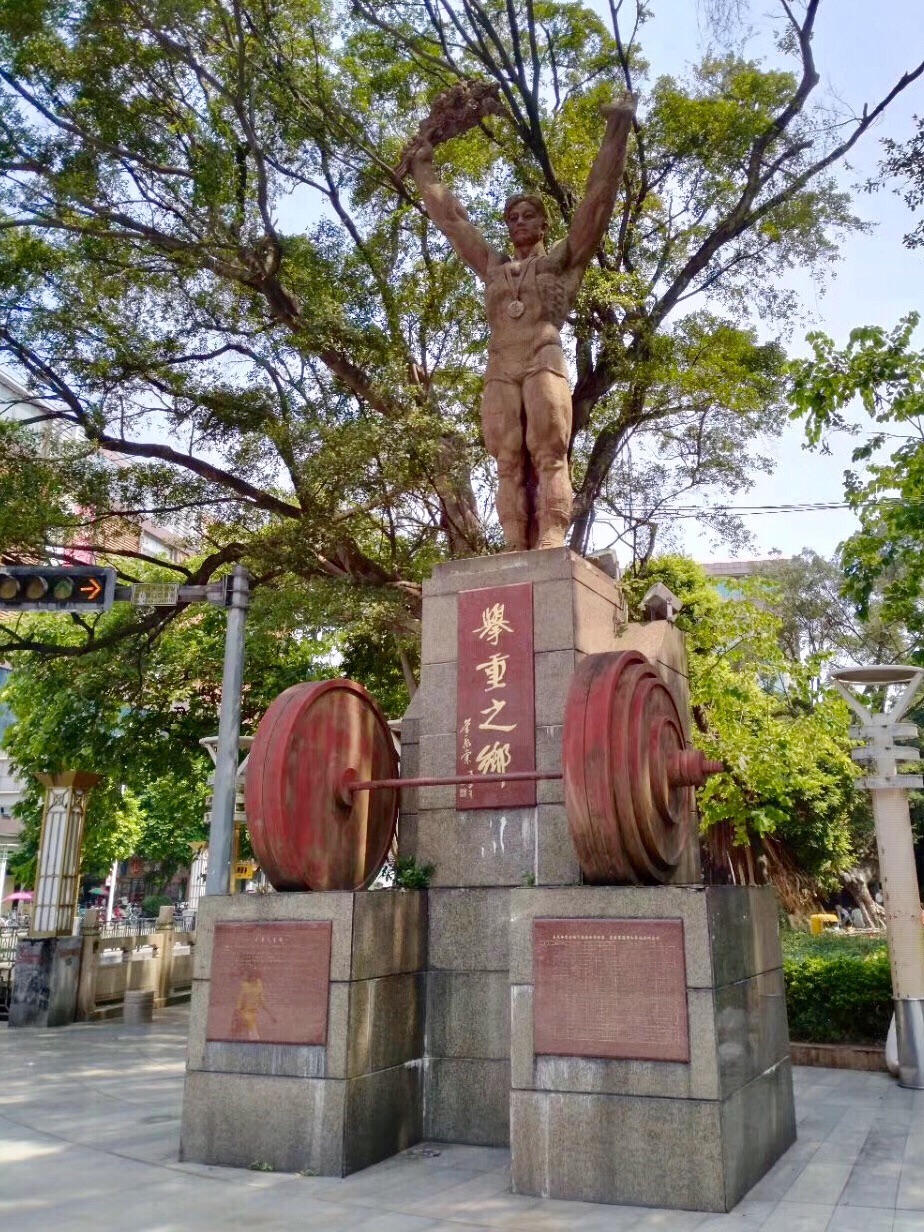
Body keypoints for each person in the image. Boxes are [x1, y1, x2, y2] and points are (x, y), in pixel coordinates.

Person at [410, 93, 636, 551]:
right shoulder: (493, 266)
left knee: (550, 451)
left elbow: (597, 203)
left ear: (544, 223)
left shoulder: (561, 262)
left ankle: (552, 536)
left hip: (542, 355)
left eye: (527, 215)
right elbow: (452, 220)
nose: (517, 222)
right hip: (500, 363)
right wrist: (422, 168)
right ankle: (513, 543)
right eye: (511, 217)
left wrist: (617, 130)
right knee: (506, 458)